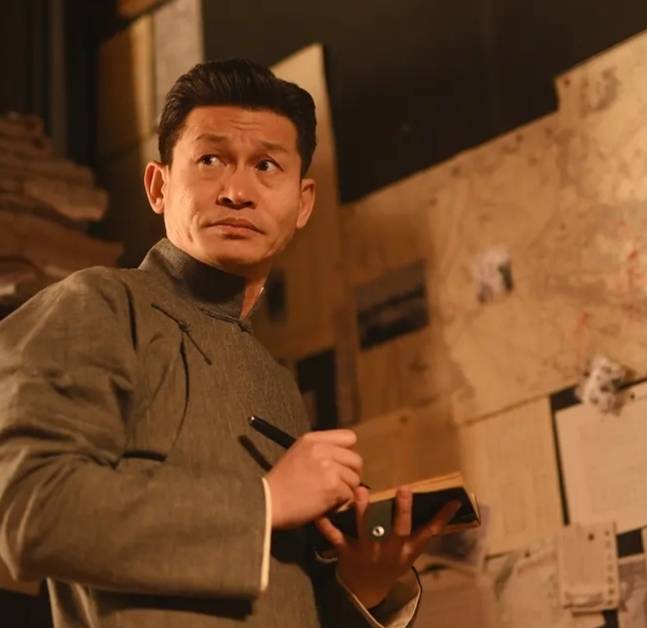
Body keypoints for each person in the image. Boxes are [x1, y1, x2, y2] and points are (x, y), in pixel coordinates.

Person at [0, 59, 459, 627]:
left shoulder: (277, 383)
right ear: (159, 186)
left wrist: (364, 583)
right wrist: (266, 503)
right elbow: (32, 511)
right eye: (211, 160)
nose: (237, 192)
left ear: (303, 203)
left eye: (266, 166)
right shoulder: (97, 305)